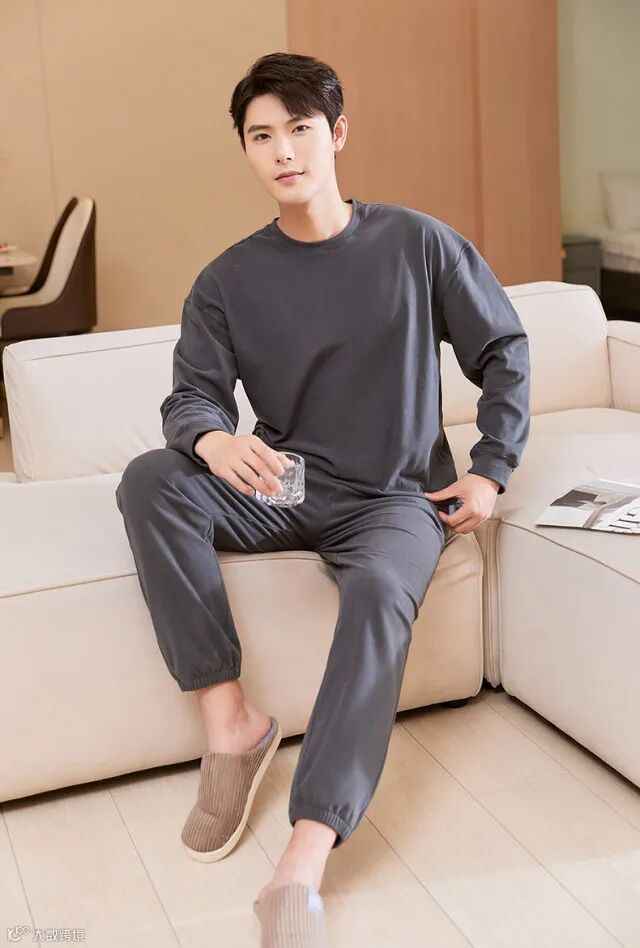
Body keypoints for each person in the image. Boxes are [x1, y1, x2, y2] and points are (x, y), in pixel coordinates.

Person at [115, 50, 531, 947]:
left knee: (380, 591)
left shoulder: (418, 243)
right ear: (245, 151)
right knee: (152, 479)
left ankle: (302, 860)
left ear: (337, 133)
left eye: (300, 128)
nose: (283, 150)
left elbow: (503, 349)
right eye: (261, 135)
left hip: (396, 497)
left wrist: (491, 468)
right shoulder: (227, 280)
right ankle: (232, 726)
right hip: (288, 484)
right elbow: (190, 398)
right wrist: (215, 439)